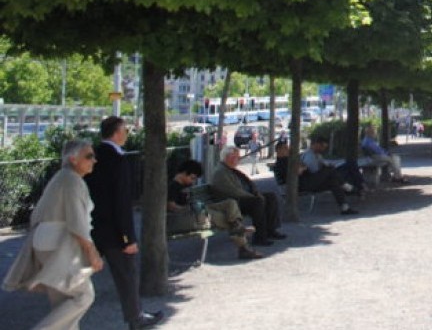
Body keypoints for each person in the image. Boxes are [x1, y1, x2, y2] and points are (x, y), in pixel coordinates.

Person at [4, 140, 104, 330]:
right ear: (74, 159)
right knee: (83, 295)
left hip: (47, 243)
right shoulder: (71, 181)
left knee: (64, 302)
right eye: (89, 156)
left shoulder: (63, 177)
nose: (94, 160)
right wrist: (92, 253)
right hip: (58, 245)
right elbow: (77, 222)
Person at [84, 116, 164, 329]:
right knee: (127, 276)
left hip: (93, 226)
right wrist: (128, 237)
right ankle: (135, 317)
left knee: (82, 274)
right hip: (115, 232)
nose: (127, 135)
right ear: (117, 133)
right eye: (125, 131)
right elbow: (121, 202)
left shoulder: (93, 156)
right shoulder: (119, 159)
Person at [167, 160, 262, 260]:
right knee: (227, 219)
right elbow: (171, 206)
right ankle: (243, 245)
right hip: (192, 215)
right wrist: (188, 208)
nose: (193, 181)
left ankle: (238, 226)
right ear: (184, 173)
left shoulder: (185, 184)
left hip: (201, 209)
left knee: (230, 203)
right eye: (192, 178)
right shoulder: (173, 186)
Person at [210, 146, 287, 246]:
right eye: (236, 157)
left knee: (270, 197)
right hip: (231, 203)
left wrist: (255, 193)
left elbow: (248, 183)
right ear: (228, 157)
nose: (238, 159)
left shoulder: (230, 169)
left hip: (240, 199)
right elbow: (233, 191)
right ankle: (260, 237)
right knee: (257, 202)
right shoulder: (220, 172)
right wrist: (252, 196)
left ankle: (271, 230)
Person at [299, 136, 358, 215]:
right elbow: (314, 171)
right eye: (322, 146)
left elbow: (322, 167)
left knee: (333, 182)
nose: (323, 149)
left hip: (315, 181)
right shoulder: (309, 156)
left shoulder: (318, 155)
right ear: (316, 144)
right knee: (330, 170)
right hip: (308, 183)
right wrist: (326, 169)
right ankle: (346, 186)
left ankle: (345, 207)